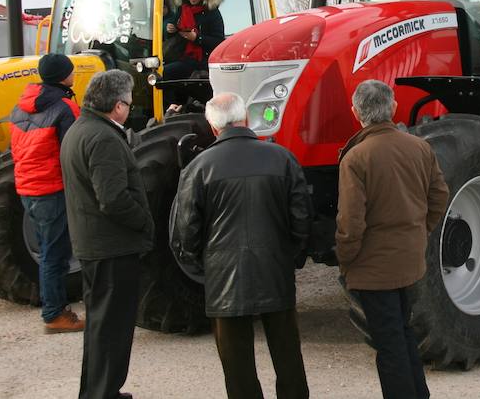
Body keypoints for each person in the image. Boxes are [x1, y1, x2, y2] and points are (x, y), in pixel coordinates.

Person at [170, 92, 313, 399]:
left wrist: (204, 269)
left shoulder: (199, 167)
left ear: (212, 126)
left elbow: (185, 231)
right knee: (288, 357)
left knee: (237, 368)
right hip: (275, 270)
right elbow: (302, 218)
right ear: (245, 118)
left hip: (223, 278)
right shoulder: (282, 158)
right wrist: (291, 258)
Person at [337, 80, 448, 399]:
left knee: (389, 346)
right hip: (409, 260)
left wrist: (346, 260)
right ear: (394, 107)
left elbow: (350, 223)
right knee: (402, 332)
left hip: (373, 268)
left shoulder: (356, 158)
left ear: (355, 112)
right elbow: (440, 195)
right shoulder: (419, 147)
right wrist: (420, 230)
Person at [60, 69, 154, 399]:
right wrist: (144, 221)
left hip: (95, 245)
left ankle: (98, 391)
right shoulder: (102, 138)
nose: (129, 108)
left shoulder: (81, 130)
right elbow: (113, 199)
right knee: (112, 329)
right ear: (117, 106)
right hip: (111, 249)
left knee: (101, 327)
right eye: (128, 103)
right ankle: (104, 393)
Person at [9, 53, 84, 333]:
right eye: (71, 70)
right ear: (63, 76)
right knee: (56, 254)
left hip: (27, 187)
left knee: (46, 250)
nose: (74, 74)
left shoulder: (21, 106)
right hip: (52, 189)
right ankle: (55, 314)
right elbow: (74, 151)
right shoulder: (65, 108)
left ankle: (53, 306)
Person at [162, 0, 225, 106]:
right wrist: (170, 29)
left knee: (165, 73)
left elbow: (218, 42)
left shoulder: (213, 13)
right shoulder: (182, 9)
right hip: (181, 57)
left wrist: (197, 38)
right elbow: (172, 30)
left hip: (201, 61)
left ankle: (171, 108)